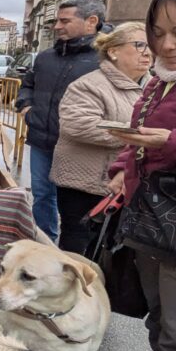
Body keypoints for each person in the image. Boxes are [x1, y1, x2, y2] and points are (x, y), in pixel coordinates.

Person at [94, 0, 176, 351]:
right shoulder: (159, 80)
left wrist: (171, 143)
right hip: (151, 221)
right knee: (161, 327)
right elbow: (140, 138)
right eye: (158, 34)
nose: (167, 44)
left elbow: (169, 140)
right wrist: (122, 166)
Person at [49, 22, 152, 255]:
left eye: (150, 46)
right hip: (85, 186)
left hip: (127, 186)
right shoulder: (89, 86)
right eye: (139, 45)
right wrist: (141, 137)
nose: (147, 52)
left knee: (111, 253)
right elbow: (78, 124)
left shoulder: (153, 87)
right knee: (79, 252)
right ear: (113, 51)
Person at [15, 0, 104, 241]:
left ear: (91, 22)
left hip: (80, 148)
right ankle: (44, 243)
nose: (57, 26)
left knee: (73, 206)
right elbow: (28, 85)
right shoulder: (45, 58)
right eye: (56, 20)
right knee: (42, 195)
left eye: (65, 21)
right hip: (42, 142)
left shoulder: (105, 60)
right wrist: (26, 107)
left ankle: (71, 255)